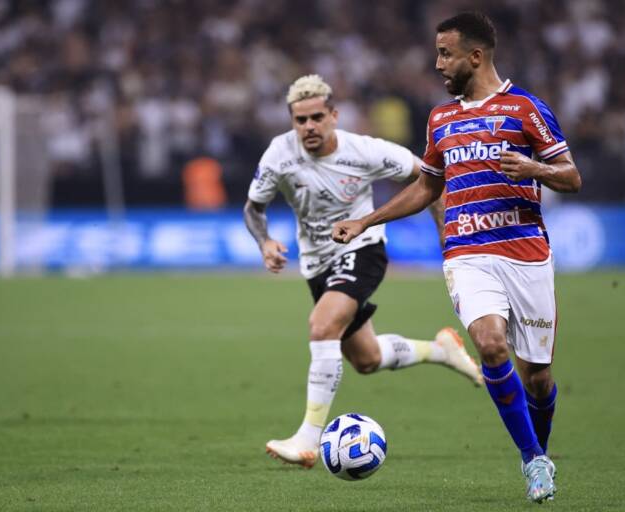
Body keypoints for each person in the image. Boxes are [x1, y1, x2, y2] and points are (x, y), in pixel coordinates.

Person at [332, 12, 582, 503]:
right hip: (466, 253)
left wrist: (533, 168)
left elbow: (571, 176)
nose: (438, 63)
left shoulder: (525, 109)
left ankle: (539, 449)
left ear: (476, 56)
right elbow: (427, 186)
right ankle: (533, 459)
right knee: (490, 345)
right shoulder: (440, 119)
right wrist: (366, 220)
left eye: (446, 54)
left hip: (525, 252)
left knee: (538, 377)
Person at [244, 74, 483, 469]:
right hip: (317, 263)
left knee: (322, 326)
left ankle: (308, 439)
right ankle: (442, 350)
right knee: (367, 358)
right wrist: (265, 241)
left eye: (317, 117)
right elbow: (253, 208)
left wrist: (446, 230)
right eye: (300, 120)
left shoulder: (365, 151)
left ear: (334, 116)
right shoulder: (279, 154)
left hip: (362, 247)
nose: (309, 126)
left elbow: (430, 177)